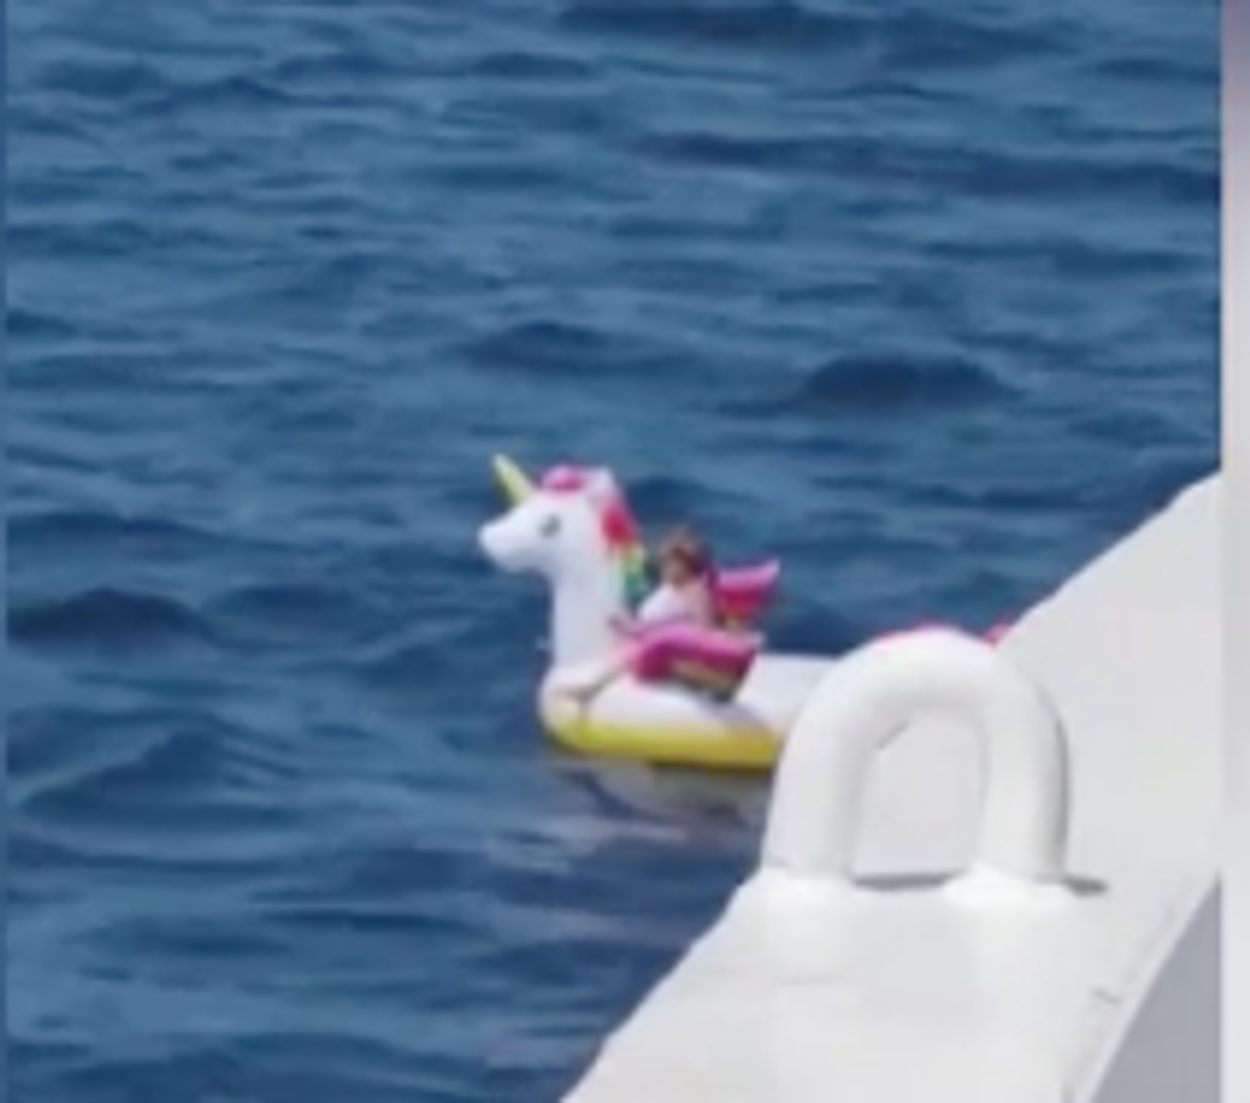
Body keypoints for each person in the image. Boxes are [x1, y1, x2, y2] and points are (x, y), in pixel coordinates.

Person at [565, 527, 721, 706]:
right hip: (655, 640)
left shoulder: (692, 595)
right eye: (666, 562)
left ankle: (590, 690)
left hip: (673, 651)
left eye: (672, 564)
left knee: (632, 652)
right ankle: (592, 685)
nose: (665, 567)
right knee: (629, 646)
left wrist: (630, 628)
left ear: (687, 568)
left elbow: (697, 629)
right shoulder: (674, 588)